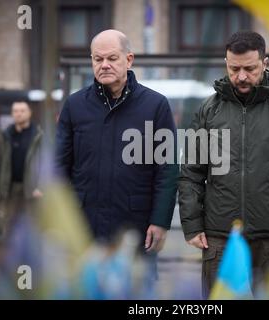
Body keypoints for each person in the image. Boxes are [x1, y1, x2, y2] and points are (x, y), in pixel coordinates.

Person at [178, 31, 269, 298]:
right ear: (226, 63)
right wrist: (192, 225)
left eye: (249, 68)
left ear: (264, 63)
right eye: (234, 68)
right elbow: (191, 173)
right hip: (220, 238)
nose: (241, 76)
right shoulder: (208, 111)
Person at [55, 30, 178, 254]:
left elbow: (167, 169)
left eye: (112, 58)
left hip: (135, 226)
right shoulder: (74, 106)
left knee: (135, 288)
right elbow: (59, 166)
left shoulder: (155, 106)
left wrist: (160, 221)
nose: (104, 65)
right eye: (97, 59)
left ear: (128, 59)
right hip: (83, 226)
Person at [0, 101, 43, 232]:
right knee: (8, 225)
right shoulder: (4, 136)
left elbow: (45, 163)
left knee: (32, 228)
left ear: (29, 113)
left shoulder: (38, 135)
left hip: (31, 189)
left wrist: (41, 186)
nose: (18, 114)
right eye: (15, 111)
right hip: (9, 188)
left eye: (22, 111)